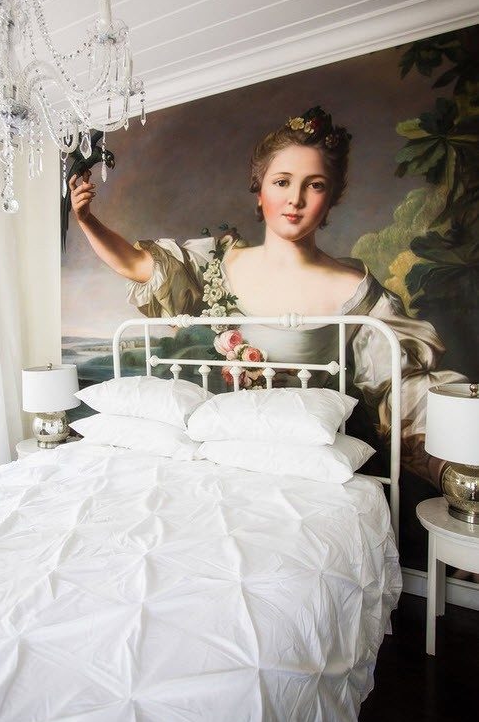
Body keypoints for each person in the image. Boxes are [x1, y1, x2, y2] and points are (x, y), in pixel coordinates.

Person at [70, 106, 465, 493]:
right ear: (259, 192)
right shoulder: (217, 260)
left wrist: (453, 467)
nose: (295, 199)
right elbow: (138, 264)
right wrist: (86, 220)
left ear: (331, 198)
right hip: (211, 453)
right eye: (282, 182)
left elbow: (404, 386)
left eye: (314, 185)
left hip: (300, 463)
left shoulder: (354, 289)